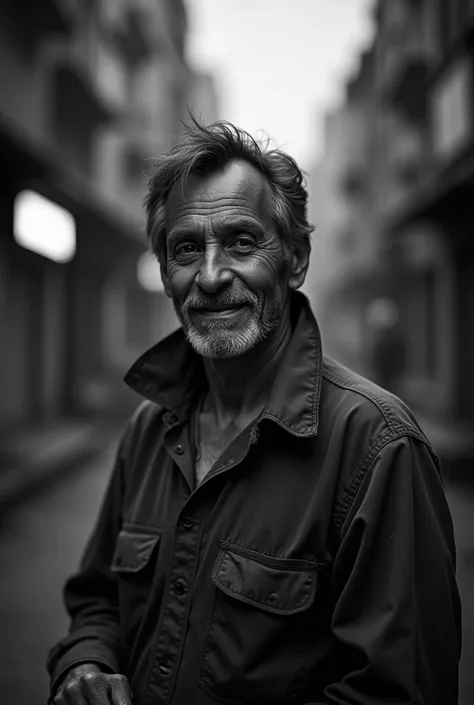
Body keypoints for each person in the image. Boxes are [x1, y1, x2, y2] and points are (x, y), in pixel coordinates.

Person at [47, 119, 461, 705]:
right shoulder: (148, 428)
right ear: (165, 273)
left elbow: (398, 690)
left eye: (242, 242)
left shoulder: (376, 445)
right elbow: (97, 600)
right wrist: (84, 664)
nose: (211, 276)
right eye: (186, 248)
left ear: (294, 261)